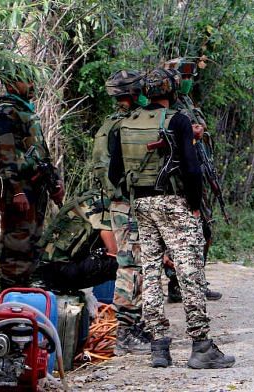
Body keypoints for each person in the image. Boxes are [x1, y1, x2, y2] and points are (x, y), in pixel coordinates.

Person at [109, 68, 235, 369]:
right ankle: (201, 346)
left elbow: (115, 173)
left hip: (140, 205)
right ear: (173, 91)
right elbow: (192, 169)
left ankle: (159, 348)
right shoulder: (177, 120)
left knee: (150, 274)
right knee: (189, 272)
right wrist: (193, 205)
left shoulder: (126, 123)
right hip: (174, 203)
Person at [0, 65, 65, 290]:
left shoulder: (26, 111)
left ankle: (27, 294)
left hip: (37, 186)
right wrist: (17, 189)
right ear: (11, 85)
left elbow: (41, 152)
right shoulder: (4, 113)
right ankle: (10, 294)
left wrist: (55, 182)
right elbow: (5, 155)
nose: (32, 86)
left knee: (33, 240)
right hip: (20, 189)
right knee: (17, 243)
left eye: (32, 81)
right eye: (26, 82)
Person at [92, 69, 152, 355]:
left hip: (119, 202)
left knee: (134, 264)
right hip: (127, 203)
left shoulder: (110, 123)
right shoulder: (126, 126)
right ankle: (127, 331)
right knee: (132, 266)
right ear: (131, 94)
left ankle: (133, 326)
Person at [163, 57, 222, 303]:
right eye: (182, 77)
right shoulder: (162, 107)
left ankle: (196, 281)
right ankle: (177, 285)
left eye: (189, 77)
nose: (186, 82)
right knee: (180, 234)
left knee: (203, 230)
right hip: (176, 177)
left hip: (197, 170)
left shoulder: (186, 101)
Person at [31, 190, 118, 292]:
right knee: (119, 264)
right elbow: (114, 251)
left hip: (48, 268)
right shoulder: (102, 203)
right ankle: (127, 304)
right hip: (59, 270)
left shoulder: (89, 197)